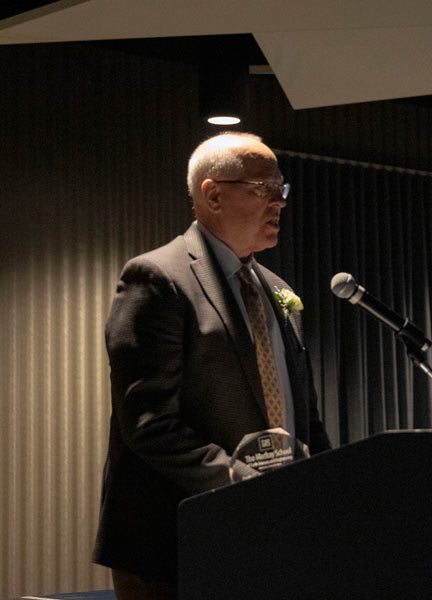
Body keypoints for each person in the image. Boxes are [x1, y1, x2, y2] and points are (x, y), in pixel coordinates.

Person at [93, 132, 331, 599]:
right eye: (263, 188)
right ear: (213, 194)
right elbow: (148, 423)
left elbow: (305, 414)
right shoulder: (157, 279)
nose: (278, 202)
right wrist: (246, 485)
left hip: (268, 539)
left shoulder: (277, 288)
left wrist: (325, 486)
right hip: (173, 545)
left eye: (282, 189)